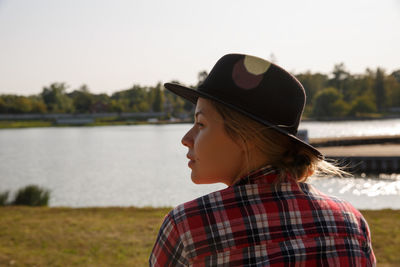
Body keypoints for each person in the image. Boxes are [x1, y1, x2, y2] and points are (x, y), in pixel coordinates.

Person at [149, 53, 376, 266]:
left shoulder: (189, 227)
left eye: (201, 124)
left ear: (246, 137)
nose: (186, 139)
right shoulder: (351, 222)